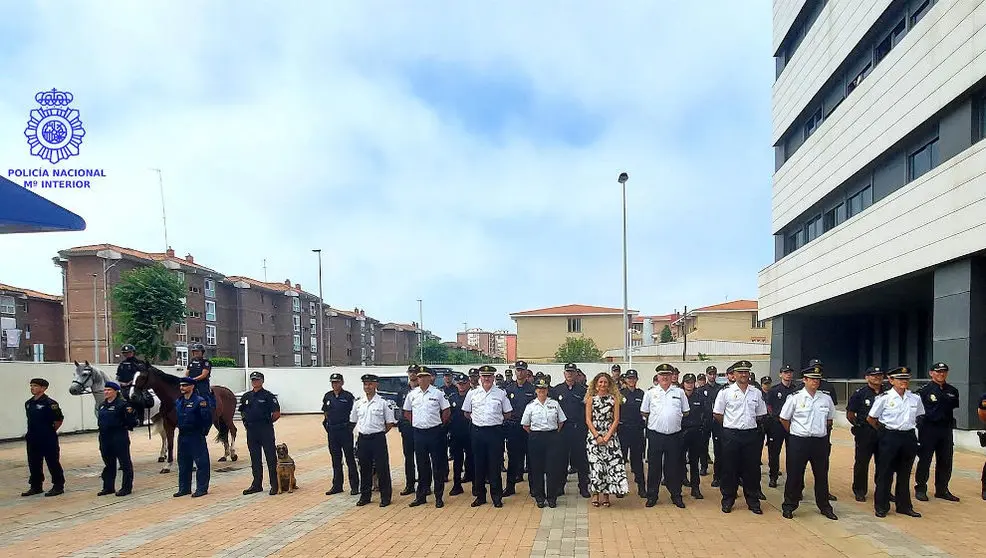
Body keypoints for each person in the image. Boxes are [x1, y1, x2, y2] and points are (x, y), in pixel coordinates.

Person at [778, 366, 837, 520]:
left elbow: (829, 419)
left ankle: (824, 506)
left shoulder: (826, 398)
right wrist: (794, 432)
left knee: (821, 475)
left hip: (819, 442)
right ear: (804, 380)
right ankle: (789, 505)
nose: (815, 382)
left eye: (817, 379)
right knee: (795, 475)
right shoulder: (795, 397)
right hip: (799, 440)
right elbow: (784, 418)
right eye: (811, 379)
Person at [867, 367, 924, 518]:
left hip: (908, 437)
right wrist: (884, 432)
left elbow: (919, 416)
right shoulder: (884, 398)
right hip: (889, 436)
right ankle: (881, 506)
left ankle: (904, 506)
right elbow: (871, 418)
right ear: (891, 380)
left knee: (905, 474)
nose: (903, 382)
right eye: (899, 379)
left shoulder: (915, 398)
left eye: (906, 379)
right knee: (885, 473)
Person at [713, 360, 767, 514]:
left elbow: (760, 414)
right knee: (730, 469)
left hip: (750, 435)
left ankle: (753, 501)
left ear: (749, 374)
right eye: (740, 372)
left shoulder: (756, 392)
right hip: (731, 435)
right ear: (734, 374)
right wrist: (731, 424)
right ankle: (728, 499)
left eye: (746, 372)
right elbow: (717, 414)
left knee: (752, 470)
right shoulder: (725, 392)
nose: (743, 375)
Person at [463, 365, 512, 507]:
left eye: (489, 376)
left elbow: (507, 413)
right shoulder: (472, 393)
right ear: (480, 377)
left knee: (495, 465)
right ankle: (480, 496)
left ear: (493, 378)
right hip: (477, 432)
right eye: (484, 376)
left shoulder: (500, 393)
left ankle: (496, 497)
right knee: (478, 465)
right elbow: (467, 412)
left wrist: (495, 420)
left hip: (495, 433)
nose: (487, 379)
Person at [403, 365, 451, 508]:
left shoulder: (438, 393)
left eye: (425, 377)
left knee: (437, 466)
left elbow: (446, 411)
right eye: (420, 377)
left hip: (435, 433)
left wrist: (439, 423)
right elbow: (407, 412)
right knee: (422, 466)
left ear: (430, 378)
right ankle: (421, 496)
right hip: (419, 433)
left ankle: (438, 497)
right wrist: (416, 423)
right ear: (417, 379)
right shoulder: (412, 394)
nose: (422, 380)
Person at [641, 364, 688, 508]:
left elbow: (685, 411)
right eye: (662, 375)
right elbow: (644, 412)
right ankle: (652, 496)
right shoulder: (650, 393)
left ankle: (676, 495)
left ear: (671, 376)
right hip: (656, 435)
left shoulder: (679, 392)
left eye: (668, 374)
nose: (665, 377)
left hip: (674, 436)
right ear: (658, 377)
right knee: (654, 467)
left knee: (673, 467)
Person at [914, 362, 960, 502]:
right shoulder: (923, 391)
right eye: (938, 371)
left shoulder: (952, 390)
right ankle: (921, 488)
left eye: (944, 371)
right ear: (931, 373)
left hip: (945, 430)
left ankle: (942, 489)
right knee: (925, 460)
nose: (941, 374)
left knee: (946, 460)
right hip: (928, 429)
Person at [351, 374, 396, 507]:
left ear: (376, 385)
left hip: (378, 438)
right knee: (364, 469)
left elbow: (389, 423)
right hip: (363, 439)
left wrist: (378, 432)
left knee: (382, 469)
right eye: (365, 384)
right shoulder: (358, 403)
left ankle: (385, 497)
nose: (367, 386)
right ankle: (365, 496)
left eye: (370, 384)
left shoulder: (383, 403)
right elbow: (353, 420)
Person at [585, 371, 629, 507]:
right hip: (594, 437)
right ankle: (595, 494)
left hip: (610, 436)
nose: (603, 384)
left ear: (609, 384)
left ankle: (606, 496)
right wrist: (597, 436)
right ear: (596, 385)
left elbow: (616, 419)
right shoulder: (591, 399)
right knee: (596, 467)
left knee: (609, 466)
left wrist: (608, 436)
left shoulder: (614, 399)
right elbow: (588, 419)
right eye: (600, 382)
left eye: (605, 382)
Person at [522, 375, 566, 508]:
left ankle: (552, 497)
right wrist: (537, 434)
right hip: (536, 438)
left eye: (544, 389)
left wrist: (551, 433)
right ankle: (539, 497)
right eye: (539, 389)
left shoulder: (554, 404)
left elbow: (561, 421)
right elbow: (525, 425)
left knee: (552, 468)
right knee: (537, 468)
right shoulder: (530, 406)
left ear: (547, 390)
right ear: (535, 390)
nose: (541, 391)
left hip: (552, 437)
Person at [846, 366, 886, 502]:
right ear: (867, 377)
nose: (877, 378)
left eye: (879, 375)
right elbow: (850, 414)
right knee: (862, 462)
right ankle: (859, 490)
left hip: (884, 432)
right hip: (866, 433)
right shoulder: (860, 393)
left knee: (884, 463)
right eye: (873, 375)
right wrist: (859, 426)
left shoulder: (888, 393)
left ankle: (883, 490)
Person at [552, 363, 590, 498]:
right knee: (561, 460)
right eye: (567, 372)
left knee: (581, 460)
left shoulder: (583, 390)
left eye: (572, 372)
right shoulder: (557, 390)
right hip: (562, 430)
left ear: (576, 374)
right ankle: (560, 487)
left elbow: (587, 410)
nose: (569, 374)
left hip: (578, 430)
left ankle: (584, 487)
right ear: (564, 374)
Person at [23, 378, 65, 497]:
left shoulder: (50, 403)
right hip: (32, 437)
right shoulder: (29, 403)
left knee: (52, 461)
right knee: (33, 462)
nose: (32, 388)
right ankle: (36, 486)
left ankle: (58, 485)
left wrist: (49, 431)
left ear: (43, 388)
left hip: (47, 437)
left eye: (35, 386)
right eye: (31, 385)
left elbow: (58, 419)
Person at [240, 371, 281, 496]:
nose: (255, 382)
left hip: (265, 430)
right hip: (251, 430)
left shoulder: (268, 396)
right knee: (255, 458)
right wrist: (245, 422)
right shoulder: (246, 396)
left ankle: (274, 484)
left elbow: (276, 413)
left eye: (257, 380)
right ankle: (256, 484)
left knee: (270, 458)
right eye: (253, 380)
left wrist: (267, 422)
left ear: (262, 381)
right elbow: (242, 411)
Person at [96, 381, 137, 497]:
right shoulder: (102, 405)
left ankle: (126, 488)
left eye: (109, 390)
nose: (106, 392)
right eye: (105, 390)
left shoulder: (123, 405)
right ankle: (108, 487)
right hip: (104, 437)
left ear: (115, 391)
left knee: (125, 464)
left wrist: (123, 427)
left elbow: (131, 421)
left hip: (118, 437)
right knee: (108, 463)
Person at [322, 372, 359, 496]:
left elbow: (354, 415)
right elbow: (326, 412)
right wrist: (328, 424)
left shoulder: (348, 397)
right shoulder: (328, 396)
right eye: (333, 382)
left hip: (345, 431)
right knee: (335, 460)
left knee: (350, 459)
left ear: (342, 383)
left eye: (337, 382)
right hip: (332, 431)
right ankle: (337, 485)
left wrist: (349, 428)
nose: (335, 384)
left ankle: (354, 486)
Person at [174, 376, 212, 498]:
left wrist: (203, 432)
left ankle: (201, 488)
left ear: (192, 386)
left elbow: (207, 418)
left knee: (201, 462)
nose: (182, 388)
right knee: (183, 463)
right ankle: (184, 488)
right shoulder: (179, 401)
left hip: (195, 434)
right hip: (183, 435)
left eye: (185, 385)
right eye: (181, 386)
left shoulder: (200, 401)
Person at [504, 360, 536, 496]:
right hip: (514, 427)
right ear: (515, 371)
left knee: (532, 458)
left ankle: (533, 488)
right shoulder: (509, 389)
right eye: (518, 370)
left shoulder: (533, 389)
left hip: (529, 428)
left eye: (522, 370)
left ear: (526, 371)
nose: (520, 372)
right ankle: (510, 487)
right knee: (513, 458)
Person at [765, 365, 797, 488]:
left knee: (793, 453)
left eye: (790, 372)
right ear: (780, 374)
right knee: (774, 452)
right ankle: (773, 476)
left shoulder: (796, 390)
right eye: (785, 372)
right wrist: (774, 416)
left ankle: (792, 478)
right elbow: (768, 405)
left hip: (792, 425)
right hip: (777, 425)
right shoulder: (774, 390)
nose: (788, 375)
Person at [618, 369, 646, 498]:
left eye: (633, 378)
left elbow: (646, 411)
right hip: (623, 430)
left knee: (637, 461)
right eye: (629, 378)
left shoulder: (642, 394)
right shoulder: (620, 394)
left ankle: (641, 488)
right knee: (621, 460)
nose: (631, 380)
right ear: (625, 380)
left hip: (637, 431)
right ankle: (620, 488)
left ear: (636, 379)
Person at [447, 372, 474, 495]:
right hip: (456, 433)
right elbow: (448, 415)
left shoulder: (474, 396)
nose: (462, 386)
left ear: (468, 383)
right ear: (456, 384)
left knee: (472, 458)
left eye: (464, 384)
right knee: (457, 460)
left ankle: (474, 483)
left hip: (470, 432)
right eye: (459, 384)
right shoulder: (452, 397)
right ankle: (457, 485)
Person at [681, 373, 705, 500]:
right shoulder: (679, 396)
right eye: (687, 382)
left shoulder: (699, 396)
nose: (689, 384)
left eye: (691, 382)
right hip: (682, 432)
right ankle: (679, 486)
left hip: (695, 432)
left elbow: (705, 414)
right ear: (683, 383)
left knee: (695, 462)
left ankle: (695, 488)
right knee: (679, 461)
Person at [397, 365, 419, 496]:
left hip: (420, 428)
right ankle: (409, 484)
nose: (412, 374)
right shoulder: (403, 391)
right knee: (408, 457)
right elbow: (401, 410)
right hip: (407, 429)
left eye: (415, 372)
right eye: (411, 372)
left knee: (423, 458)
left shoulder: (423, 390)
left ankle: (424, 484)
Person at [698, 366, 718, 476]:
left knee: (717, 445)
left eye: (714, 373)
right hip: (705, 420)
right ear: (707, 375)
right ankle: (704, 466)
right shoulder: (701, 390)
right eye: (710, 373)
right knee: (703, 445)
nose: (712, 375)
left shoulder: (720, 389)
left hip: (717, 421)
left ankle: (718, 469)